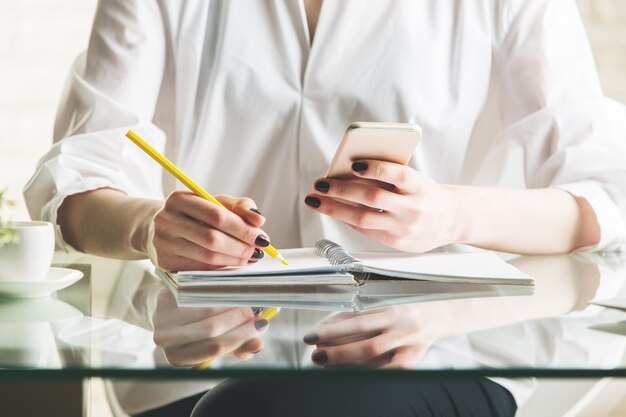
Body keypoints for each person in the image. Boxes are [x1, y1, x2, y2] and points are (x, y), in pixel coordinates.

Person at [23, 0, 626, 415]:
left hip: (440, 357)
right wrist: (147, 225)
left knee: (270, 411)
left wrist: (453, 213)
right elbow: (74, 176)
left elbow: (605, 194)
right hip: (191, 367)